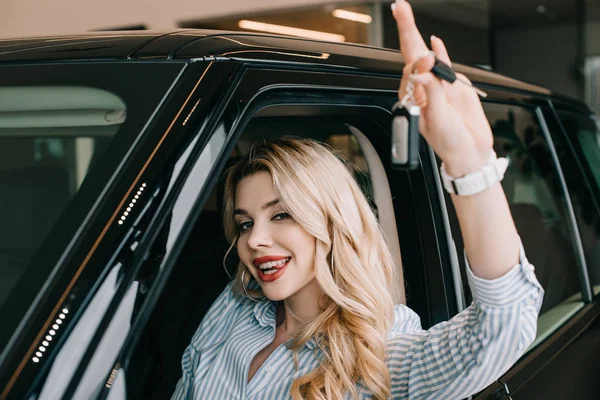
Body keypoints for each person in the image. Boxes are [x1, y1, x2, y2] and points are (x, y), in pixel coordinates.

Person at [171, 0, 544, 398]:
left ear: (333, 221)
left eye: (281, 215)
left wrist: (469, 164)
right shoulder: (236, 305)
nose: (253, 239)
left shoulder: (376, 345)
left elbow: (500, 327)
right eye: (245, 223)